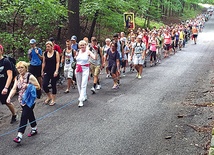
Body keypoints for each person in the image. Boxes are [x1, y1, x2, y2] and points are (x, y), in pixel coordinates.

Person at [7, 61, 40, 143]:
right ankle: (34, 128)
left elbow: (38, 86)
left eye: (22, 67)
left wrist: (28, 85)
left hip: (30, 100)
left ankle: (19, 135)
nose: (20, 69)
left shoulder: (30, 76)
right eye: (18, 68)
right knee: (29, 114)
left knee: (24, 115)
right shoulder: (17, 77)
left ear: (26, 68)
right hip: (22, 100)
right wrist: (9, 97)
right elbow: (14, 88)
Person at [75, 40, 97, 107]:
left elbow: (94, 58)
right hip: (78, 68)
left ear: (85, 45)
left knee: (83, 84)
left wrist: (95, 51)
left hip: (85, 69)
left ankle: (81, 100)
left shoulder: (88, 51)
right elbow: (76, 58)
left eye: (83, 45)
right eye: (81, 45)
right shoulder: (78, 51)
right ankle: (83, 95)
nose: (82, 46)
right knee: (78, 84)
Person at [0, 44, 17, 124]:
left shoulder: (5, 61)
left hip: (4, 85)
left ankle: (14, 114)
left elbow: (10, 76)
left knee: (7, 102)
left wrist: (6, 87)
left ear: (1, 51)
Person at [42, 41, 60, 106]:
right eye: (46, 47)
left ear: (52, 47)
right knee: (44, 84)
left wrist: (57, 70)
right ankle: (49, 96)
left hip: (54, 71)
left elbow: (57, 62)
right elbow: (43, 62)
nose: (47, 48)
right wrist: (42, 70)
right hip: (47, 70)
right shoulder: (45, 53)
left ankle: (53, 99)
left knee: (53, 84)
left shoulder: (56, 53)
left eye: (49, 46)